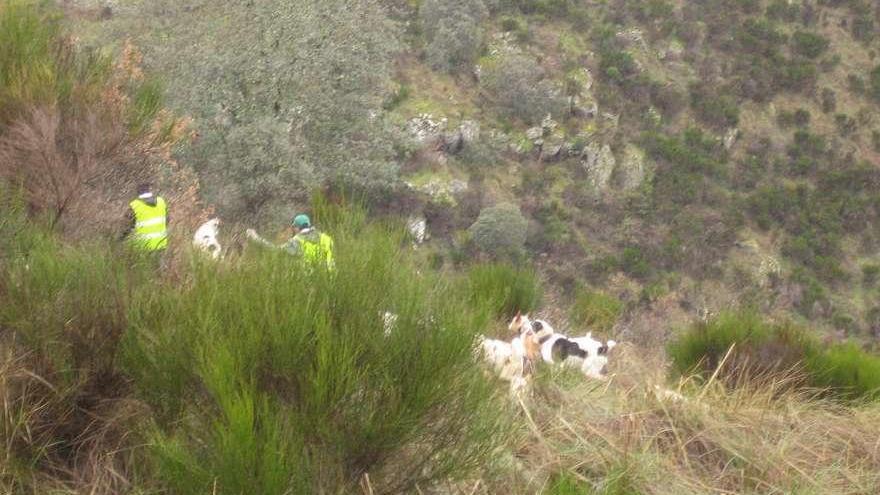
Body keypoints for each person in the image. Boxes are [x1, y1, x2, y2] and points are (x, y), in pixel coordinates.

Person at [246, 213, 335, 270]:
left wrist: (256, 238)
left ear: (297, 227)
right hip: (331, 279)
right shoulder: (327, 238)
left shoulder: (297, 241)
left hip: (311, 281)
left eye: (294, 228)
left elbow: (275, 250)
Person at [123, 183, 168, 252]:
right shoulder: (161, 202)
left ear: (137, 191)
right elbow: (167, 221)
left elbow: (127, 228)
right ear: (149, 189)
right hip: (160, 246)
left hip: (143, 248)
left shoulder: (134, 206)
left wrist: (120, 239)